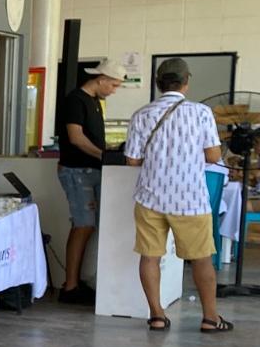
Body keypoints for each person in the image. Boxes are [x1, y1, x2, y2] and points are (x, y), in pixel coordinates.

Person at [123, 57, 231, 332]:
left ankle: (157, 316)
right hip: (190, 199)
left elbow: (133, 160)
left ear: (159, 84)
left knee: (150, 257)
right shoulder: (201, 112)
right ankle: (209, 318)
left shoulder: (141, 114)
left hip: (150, 197)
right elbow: (213, 155)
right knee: (202, 258)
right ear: (186, 82)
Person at [54, 58, 125, 303]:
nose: (114, 91)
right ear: (101, 79)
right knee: (82, 225)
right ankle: (70, 286)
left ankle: (76, 282)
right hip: (77, 171)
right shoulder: (75, 100)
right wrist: (104, 155)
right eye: (113, 85)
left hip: (90, 169)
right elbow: (76, 138)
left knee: (88, 225)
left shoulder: (95, 102)